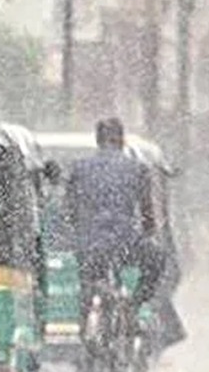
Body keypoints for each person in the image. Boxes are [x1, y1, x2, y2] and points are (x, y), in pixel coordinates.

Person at [63, 118, 158, 322]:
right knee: (156, 260)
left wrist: (76, 234)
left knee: (88, 278)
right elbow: (147, 213)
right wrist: (149, 232)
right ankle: (134, 305)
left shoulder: (79, 168)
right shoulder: (137, 169)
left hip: (89, 244)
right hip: (125, 243)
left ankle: (85, 314)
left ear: (97, 140)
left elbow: (69, 210)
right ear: (122, 140)